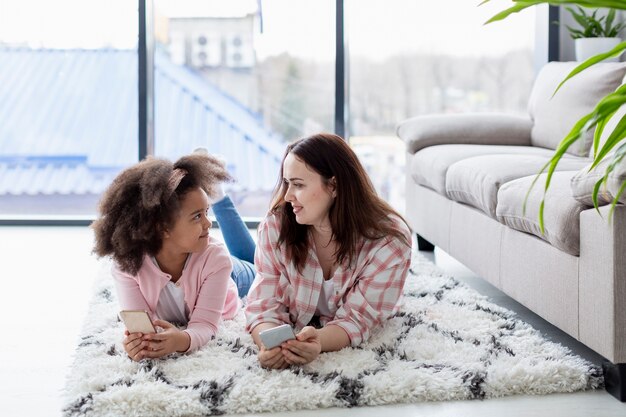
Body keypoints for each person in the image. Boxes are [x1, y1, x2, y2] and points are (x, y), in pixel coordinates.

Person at [245, 133, 412, 369]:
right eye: (286, 183)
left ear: (333, 185)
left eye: (298, 185)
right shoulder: (277, 224)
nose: (288, 196)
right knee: (235, 266)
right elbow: (263, 305)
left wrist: (319, 342)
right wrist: (268, 343)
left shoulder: (389, 242)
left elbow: (359, 318)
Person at [92, 152, 256, 361]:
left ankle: (219, 198)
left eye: (206, 212)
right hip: (205, 258)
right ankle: (217, 197)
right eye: (197, 216)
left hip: (234, 278)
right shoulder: (127, 266)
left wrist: (182, 340)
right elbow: (142, 327)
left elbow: (205, 325)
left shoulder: (217, 260)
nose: (208, 223)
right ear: (162, 228)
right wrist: (138, 344)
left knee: (256, 263)